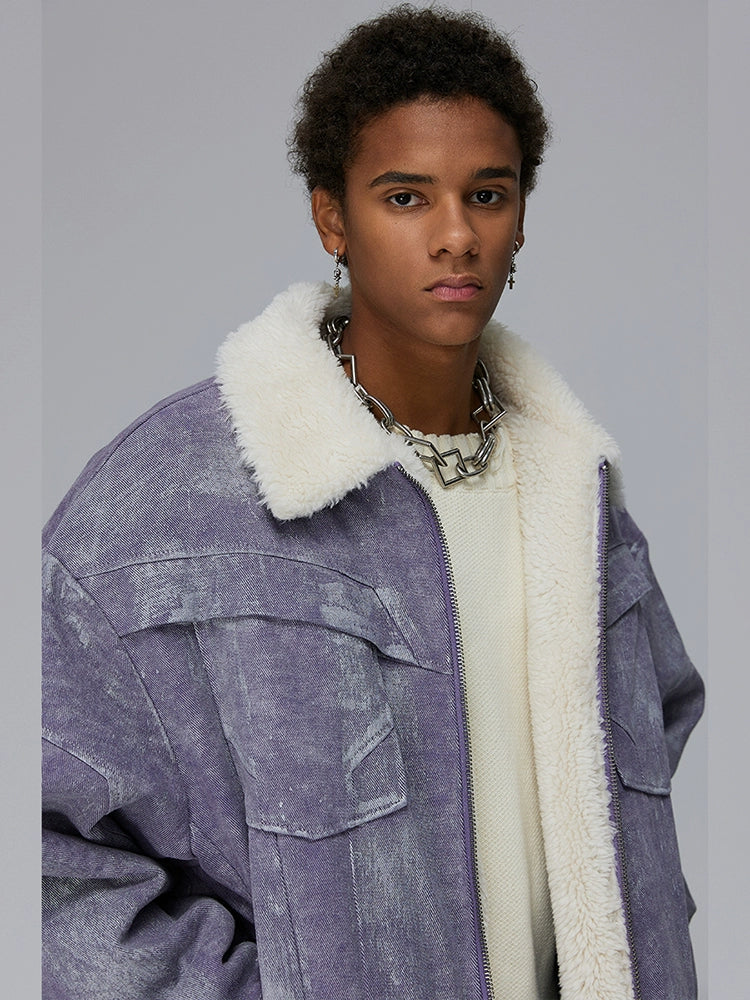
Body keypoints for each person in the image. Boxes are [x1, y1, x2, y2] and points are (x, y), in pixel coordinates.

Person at [42, 5, 704, 998]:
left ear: (522, 219)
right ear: (333, 219)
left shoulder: (575, 490)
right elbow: (47, 852)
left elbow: (653, 737)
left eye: (487, 194)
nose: (456, 236)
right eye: (406, 197)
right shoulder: (168, 505)